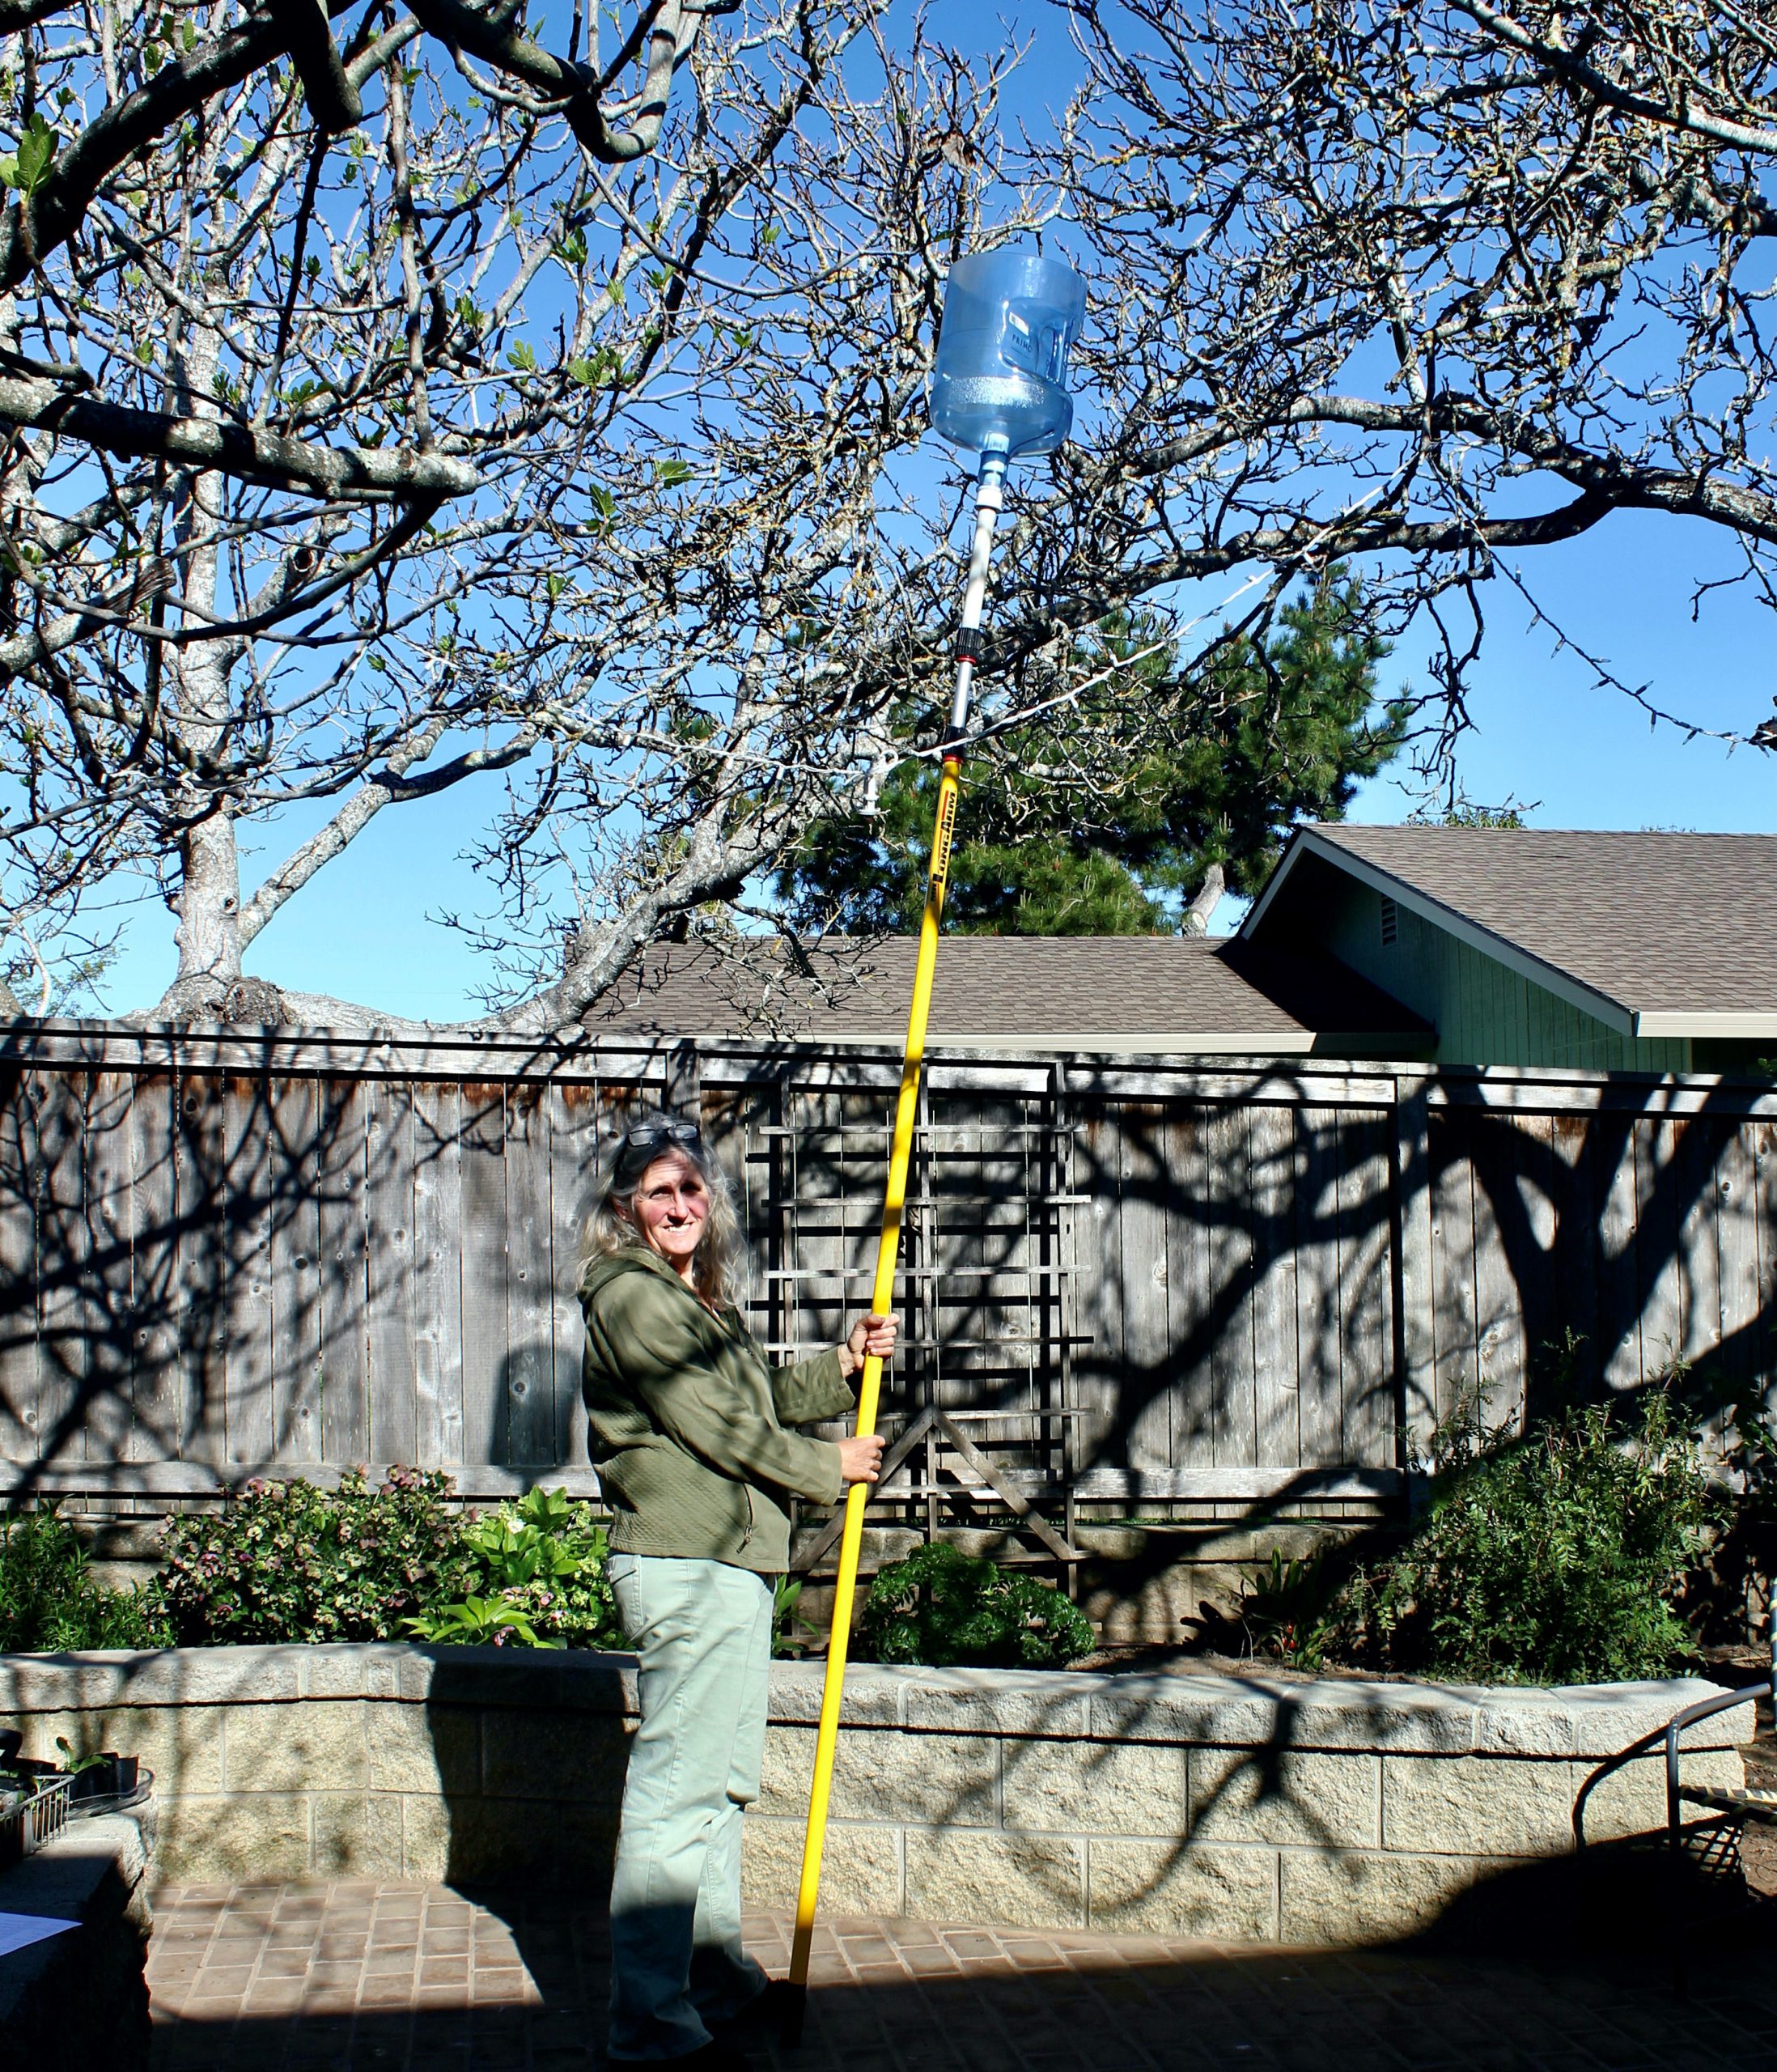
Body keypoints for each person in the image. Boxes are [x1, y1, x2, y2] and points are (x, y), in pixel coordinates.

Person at [580, 1109, 895, 2068]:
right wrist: (824, 1466)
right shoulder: (631, 1297)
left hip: (730, 1565)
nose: (679, 1204)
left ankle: (712, 1982)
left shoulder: (695, 1298)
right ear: (628, 1208)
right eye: (658, 1191)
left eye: (690, 1188)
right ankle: (650, 2026)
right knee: (678, 1798)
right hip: (687, 1564)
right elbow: (714, 1426)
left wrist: (843, 1367)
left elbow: (752, 1396)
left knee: (718, 1791)